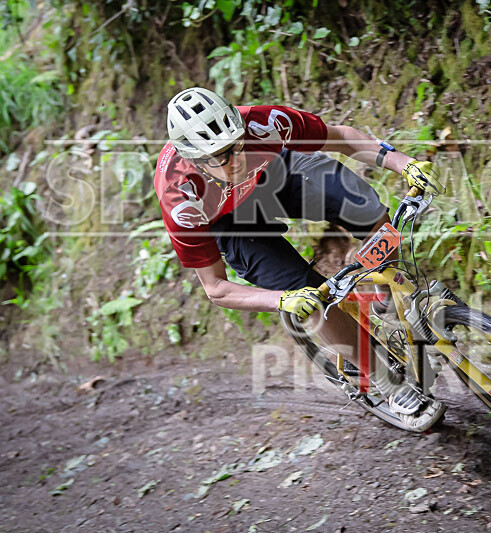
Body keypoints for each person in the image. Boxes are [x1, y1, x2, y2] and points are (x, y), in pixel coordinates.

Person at [155, 87, 446, 429]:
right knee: (308, 295)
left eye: (237, 145)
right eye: (220, 156)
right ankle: (387, 383)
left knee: (366, 209)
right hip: (226, 219)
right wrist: (283, 300)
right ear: (195, 159)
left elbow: (341, 138)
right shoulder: (181, 199)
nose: (235, 160)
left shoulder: (262, 124)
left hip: (273, 174)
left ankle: (386, 293)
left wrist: (405, 164)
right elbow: (216, 288)